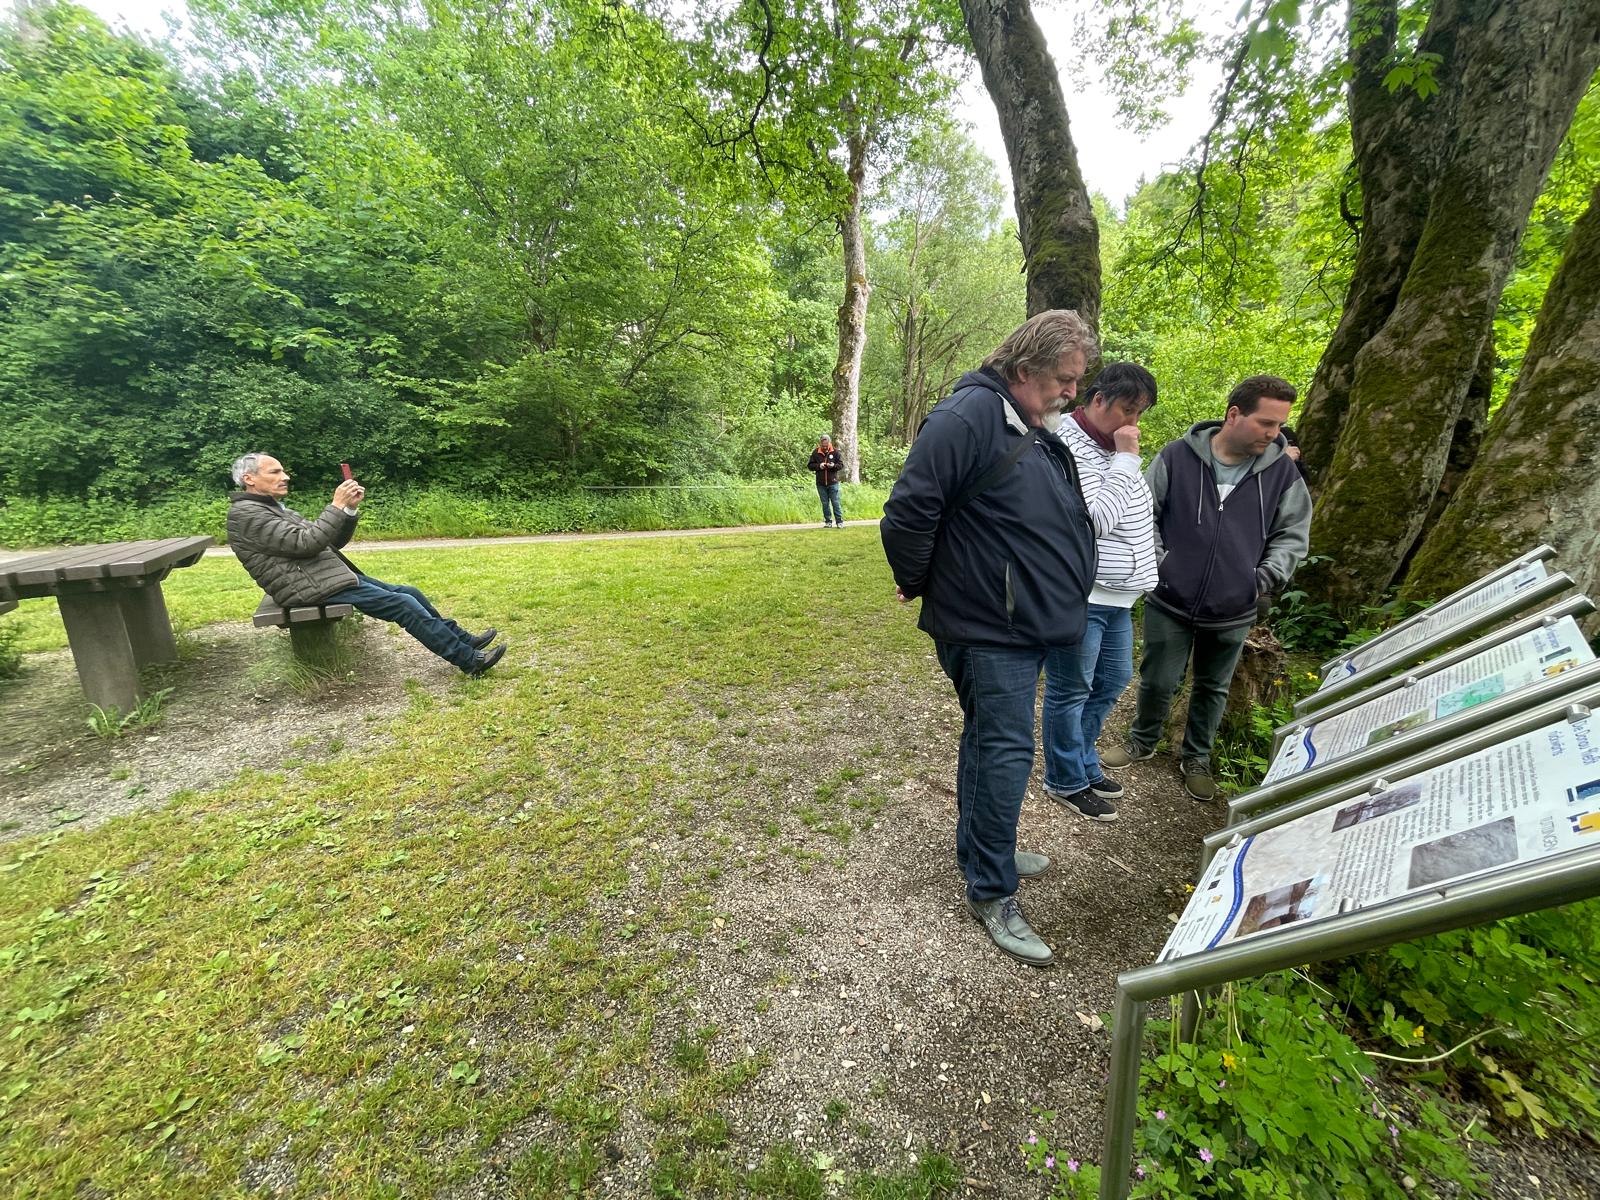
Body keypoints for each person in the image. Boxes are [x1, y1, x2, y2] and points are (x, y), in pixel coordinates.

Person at [880, 309, 1098, 968]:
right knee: (1005, 751)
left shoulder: (1021, 417)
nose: (1073, 393)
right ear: (1025, 370)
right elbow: (908, 513)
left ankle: (984, 852)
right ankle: (992, 890)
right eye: (1064, 380)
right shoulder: (969, 416)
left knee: (989, 743)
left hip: (1017, 620)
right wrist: (920, 581)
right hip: (987, 626)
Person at [1101, 376, 1312, 801]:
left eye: (1279, 425)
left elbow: (1293, 534)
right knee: (1158, 679)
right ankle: (1142, 740)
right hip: (1170, 597)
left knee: (1213, 687)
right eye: (1266, 423)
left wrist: (1260, 580)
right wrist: (1160, 564)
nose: (1275, 434)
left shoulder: (1282, 473)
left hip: (1235, 605)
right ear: (1234, 414)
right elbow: (1144, 512)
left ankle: (1196, 757)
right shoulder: (1177, 456)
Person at [227, 454, 505, 676]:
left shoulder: (270, 509)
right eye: (275, 472)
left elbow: (329, 542)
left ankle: (463, 640)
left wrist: (348, 509)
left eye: (283, 471)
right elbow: (307, 543)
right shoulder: (247, 514)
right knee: (402, 604)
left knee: (409, 592)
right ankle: (469, 660)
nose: (285, 476)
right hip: (305, 587)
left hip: (320, 577)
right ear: (249, 479)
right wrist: (335, 505)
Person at [1040, 362, 1160, 823]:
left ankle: (1083, 761)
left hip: (1119, 596)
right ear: (1097, 399)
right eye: (1128, 410)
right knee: (1071, 689)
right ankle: (1064, 778)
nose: (1134, 423)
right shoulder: (1068, 446)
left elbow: (1138, 514)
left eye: (1140, 413)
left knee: (1112, 680)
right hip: (1083, 593)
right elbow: (1095, 523)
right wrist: (1127, 458)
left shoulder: (1108, 448)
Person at [809, 435, 845, 527]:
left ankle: (839, 522)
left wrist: (833, 466)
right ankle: (828, 521)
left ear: (829, 443)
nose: (824, 447)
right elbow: (810, 466)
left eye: (826, 445)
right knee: (825, 503)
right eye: (823, 445)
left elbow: (840, 465)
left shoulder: (835, 452)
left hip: (833, 482)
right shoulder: (816, 452)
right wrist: (819, 466)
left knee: (835, 502)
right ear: (820, 443)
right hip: (820, 483)